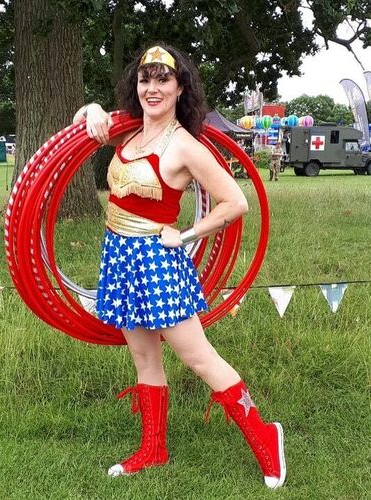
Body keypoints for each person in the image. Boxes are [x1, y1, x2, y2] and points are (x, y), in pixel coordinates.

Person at [72, 44, 286, 489]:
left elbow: (235, 202)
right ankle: (153, 449)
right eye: (145, 79)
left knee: (198, 357)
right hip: (119, 256)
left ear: (179, 88)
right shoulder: (127, 133)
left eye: (162, 80)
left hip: (157, 263)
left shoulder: (185, 145)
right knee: (143, 357)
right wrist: (90, 108)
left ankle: (266, 437)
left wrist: (186, 235)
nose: (152, 88)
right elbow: (83, 127)